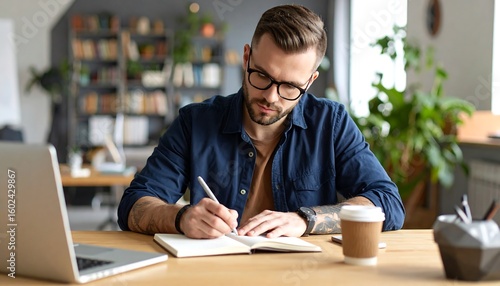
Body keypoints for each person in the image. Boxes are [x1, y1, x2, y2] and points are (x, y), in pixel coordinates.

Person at [117, 4, 405, 239]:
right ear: (246, 58)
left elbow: (388, 203)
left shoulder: (332, 123)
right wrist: (181, 217)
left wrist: (306, 219)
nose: (271, 97)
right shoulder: (196, 122)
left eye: (290, 86)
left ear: (310, 80)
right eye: (262, 76)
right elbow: (134, 204)